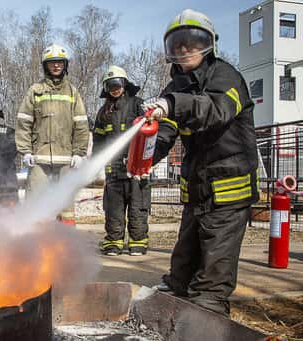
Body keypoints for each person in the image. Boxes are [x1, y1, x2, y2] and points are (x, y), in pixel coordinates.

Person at [146, 9, 259, 316]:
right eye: (178, 43)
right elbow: (165, 135)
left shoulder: (226, 77)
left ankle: (207, 321)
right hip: (196, 190)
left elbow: (214, 109)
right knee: (181, 268)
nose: (184, 49)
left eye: (192, 42)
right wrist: (140, 159)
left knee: (211, 279)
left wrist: (171, 105)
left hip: (229, 191)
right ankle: (172, 312)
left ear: (209, 45)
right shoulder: (174, 89)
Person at [15, 43, 89, 225]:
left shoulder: (73, 92)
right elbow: (24, 122)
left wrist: (79, 153)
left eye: (59, 62)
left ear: (65, 65)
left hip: (65, 160)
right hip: (40, 159)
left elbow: (81, 125)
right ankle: (33, 245)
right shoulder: (35, 91)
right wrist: (25, 151)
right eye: (52, 63)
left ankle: (66, 245)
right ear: (45, 66)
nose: (56, 66)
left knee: (66, 207)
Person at [93, 65, 150, 256]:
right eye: (110, 86)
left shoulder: (138, 105)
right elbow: (98, 142)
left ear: (124, 84)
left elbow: (151, 134)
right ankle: (114, 242)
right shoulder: (104, 112)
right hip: (114, 168)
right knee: (113, 209)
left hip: (137, 167)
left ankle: (138, 242)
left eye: (117, 84)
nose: (114, 89)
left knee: (138, 206)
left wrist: (148, 161)